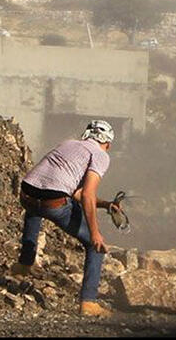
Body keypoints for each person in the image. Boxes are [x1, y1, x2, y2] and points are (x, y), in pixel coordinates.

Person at [14, 120, 121, 317]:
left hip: (27, 194)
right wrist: (95, 234)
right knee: (95, 246)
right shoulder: (100, 155)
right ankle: (88, 303)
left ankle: (23, 265)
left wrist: (106, 204)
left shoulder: (68, 143)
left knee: (35, 209)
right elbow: (87, 195)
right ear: (107, 143)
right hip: (53, 203)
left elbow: (71, 190)